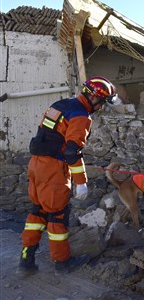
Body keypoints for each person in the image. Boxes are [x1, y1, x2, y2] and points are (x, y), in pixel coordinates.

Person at [16, 76, 117, 276]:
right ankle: (62, 263)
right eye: (102, 102)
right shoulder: (81, 116)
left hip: (36, 165)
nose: (101, 108)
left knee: (37, 212)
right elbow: (72, 152)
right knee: (57, 215)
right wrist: (81, 182)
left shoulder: (60, 105)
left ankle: (26, 260)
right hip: (53, 169)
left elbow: (46, 135)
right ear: (94, 98)